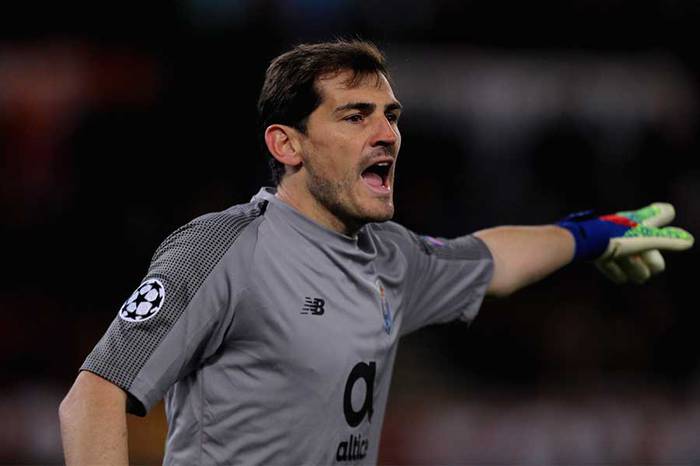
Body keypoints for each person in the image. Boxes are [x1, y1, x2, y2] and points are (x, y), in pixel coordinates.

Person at [58, 40, 694, 465]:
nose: (387, 133)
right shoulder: (223, 249)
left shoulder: (390, 255)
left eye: (391, 115)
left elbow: (491, 260)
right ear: (287, 145)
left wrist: (591, 234)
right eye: (355, 115)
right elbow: (92, 399)